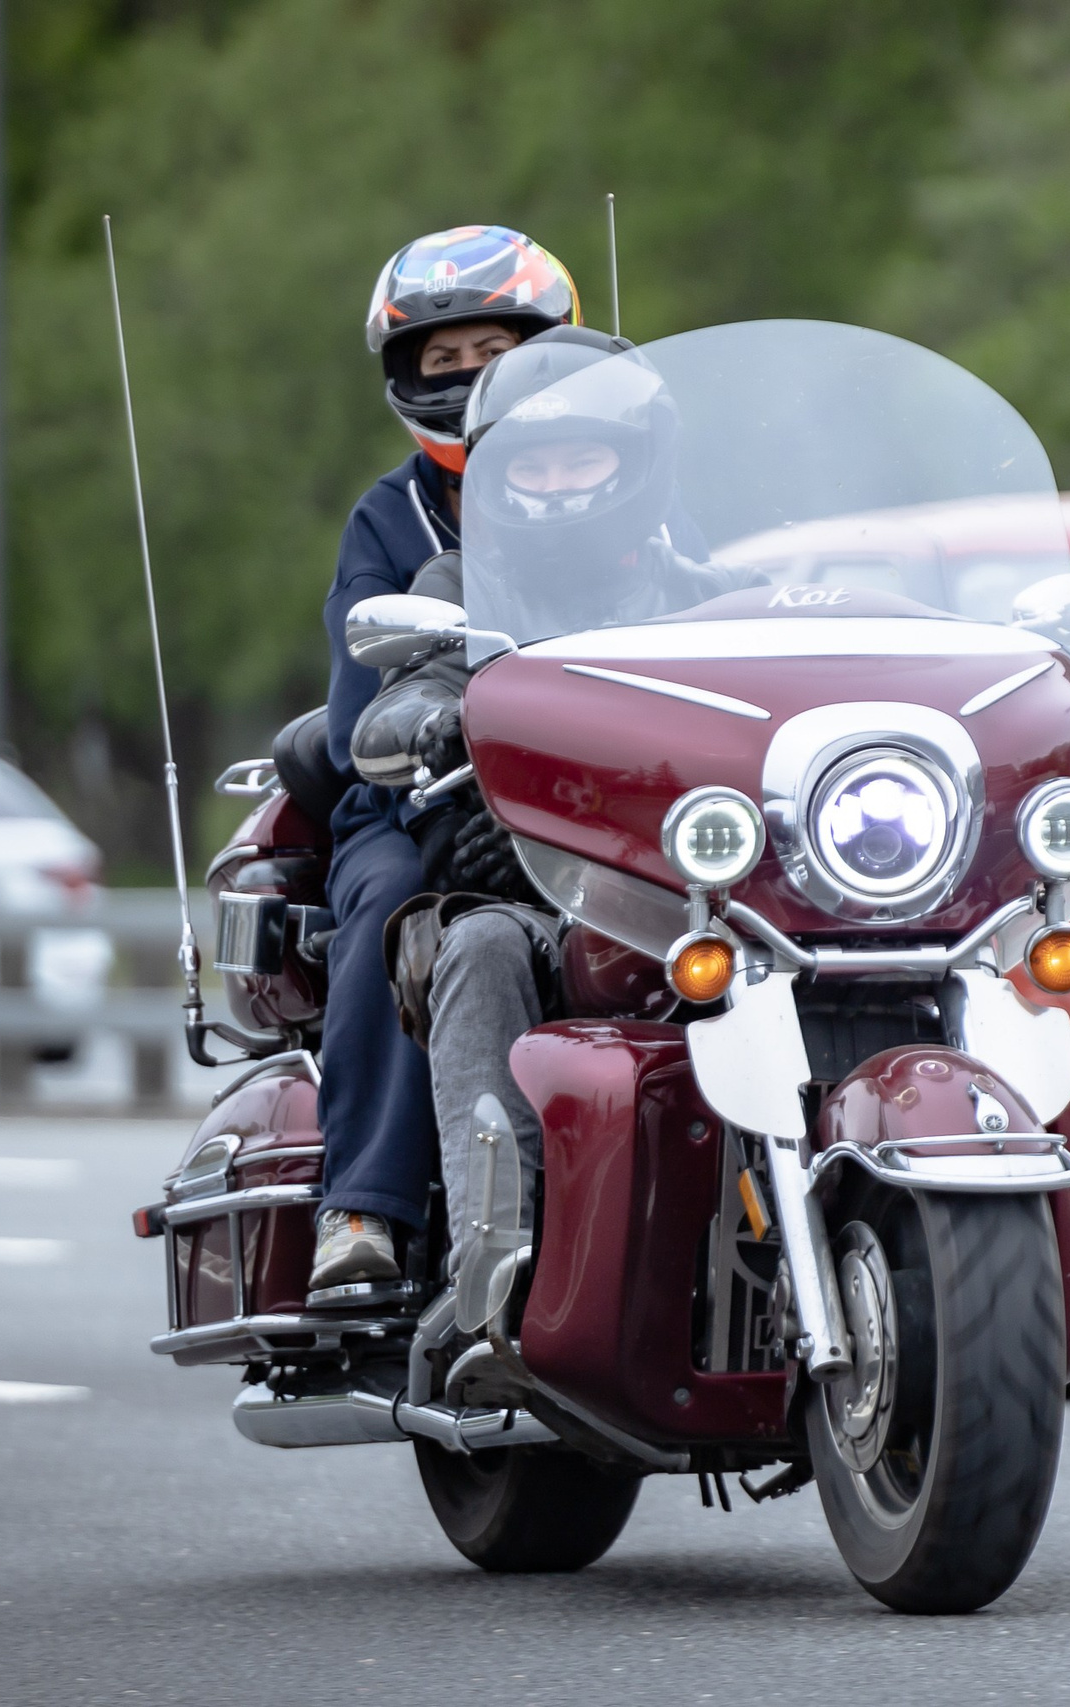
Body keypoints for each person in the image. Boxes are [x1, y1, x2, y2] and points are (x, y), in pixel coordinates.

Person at [373, 330, 765, 1276]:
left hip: (713, 902)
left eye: (580, 456)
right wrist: (434, 724)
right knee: (477, 945)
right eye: (531, 462)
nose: (554, 483)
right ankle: (494, 1262)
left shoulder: (722, 599)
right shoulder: (462, 587)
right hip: (543, 901)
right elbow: (392, 710)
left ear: (638, 463)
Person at [309, 226, 585, 1292]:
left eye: (499, 355)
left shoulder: (628, 496)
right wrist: (432, 746)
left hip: (606, 803)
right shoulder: (392, 517)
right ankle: (363, 1210)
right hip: (424, 800)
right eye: (446, 360)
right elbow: (357, 724)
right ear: (404, 377)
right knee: (388, 899)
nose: (474, 380)